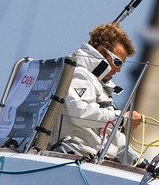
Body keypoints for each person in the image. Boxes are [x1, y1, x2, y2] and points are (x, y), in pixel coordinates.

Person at [56, 23, 146, 158]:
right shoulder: (79, 73)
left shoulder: (99, 84)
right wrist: (121, 119)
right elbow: (80, 113)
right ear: (101, 51)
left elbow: (110, 133)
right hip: (72, 156)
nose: (119, 70)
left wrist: (139, 161)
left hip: (90, 159)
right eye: (117, 62)